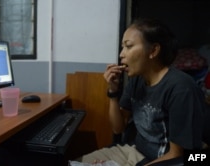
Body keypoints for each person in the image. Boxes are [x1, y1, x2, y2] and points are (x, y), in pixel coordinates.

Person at [76, 18, 206, 166]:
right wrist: (113, 91)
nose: (121, 54)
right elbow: (118, 128)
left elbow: (178, 155)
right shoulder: (137, 80)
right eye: (122, 47)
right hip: (136, 151)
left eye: (128, 46)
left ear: (153, 51)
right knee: (78, 163)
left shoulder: (181, 88)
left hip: (168, 160)